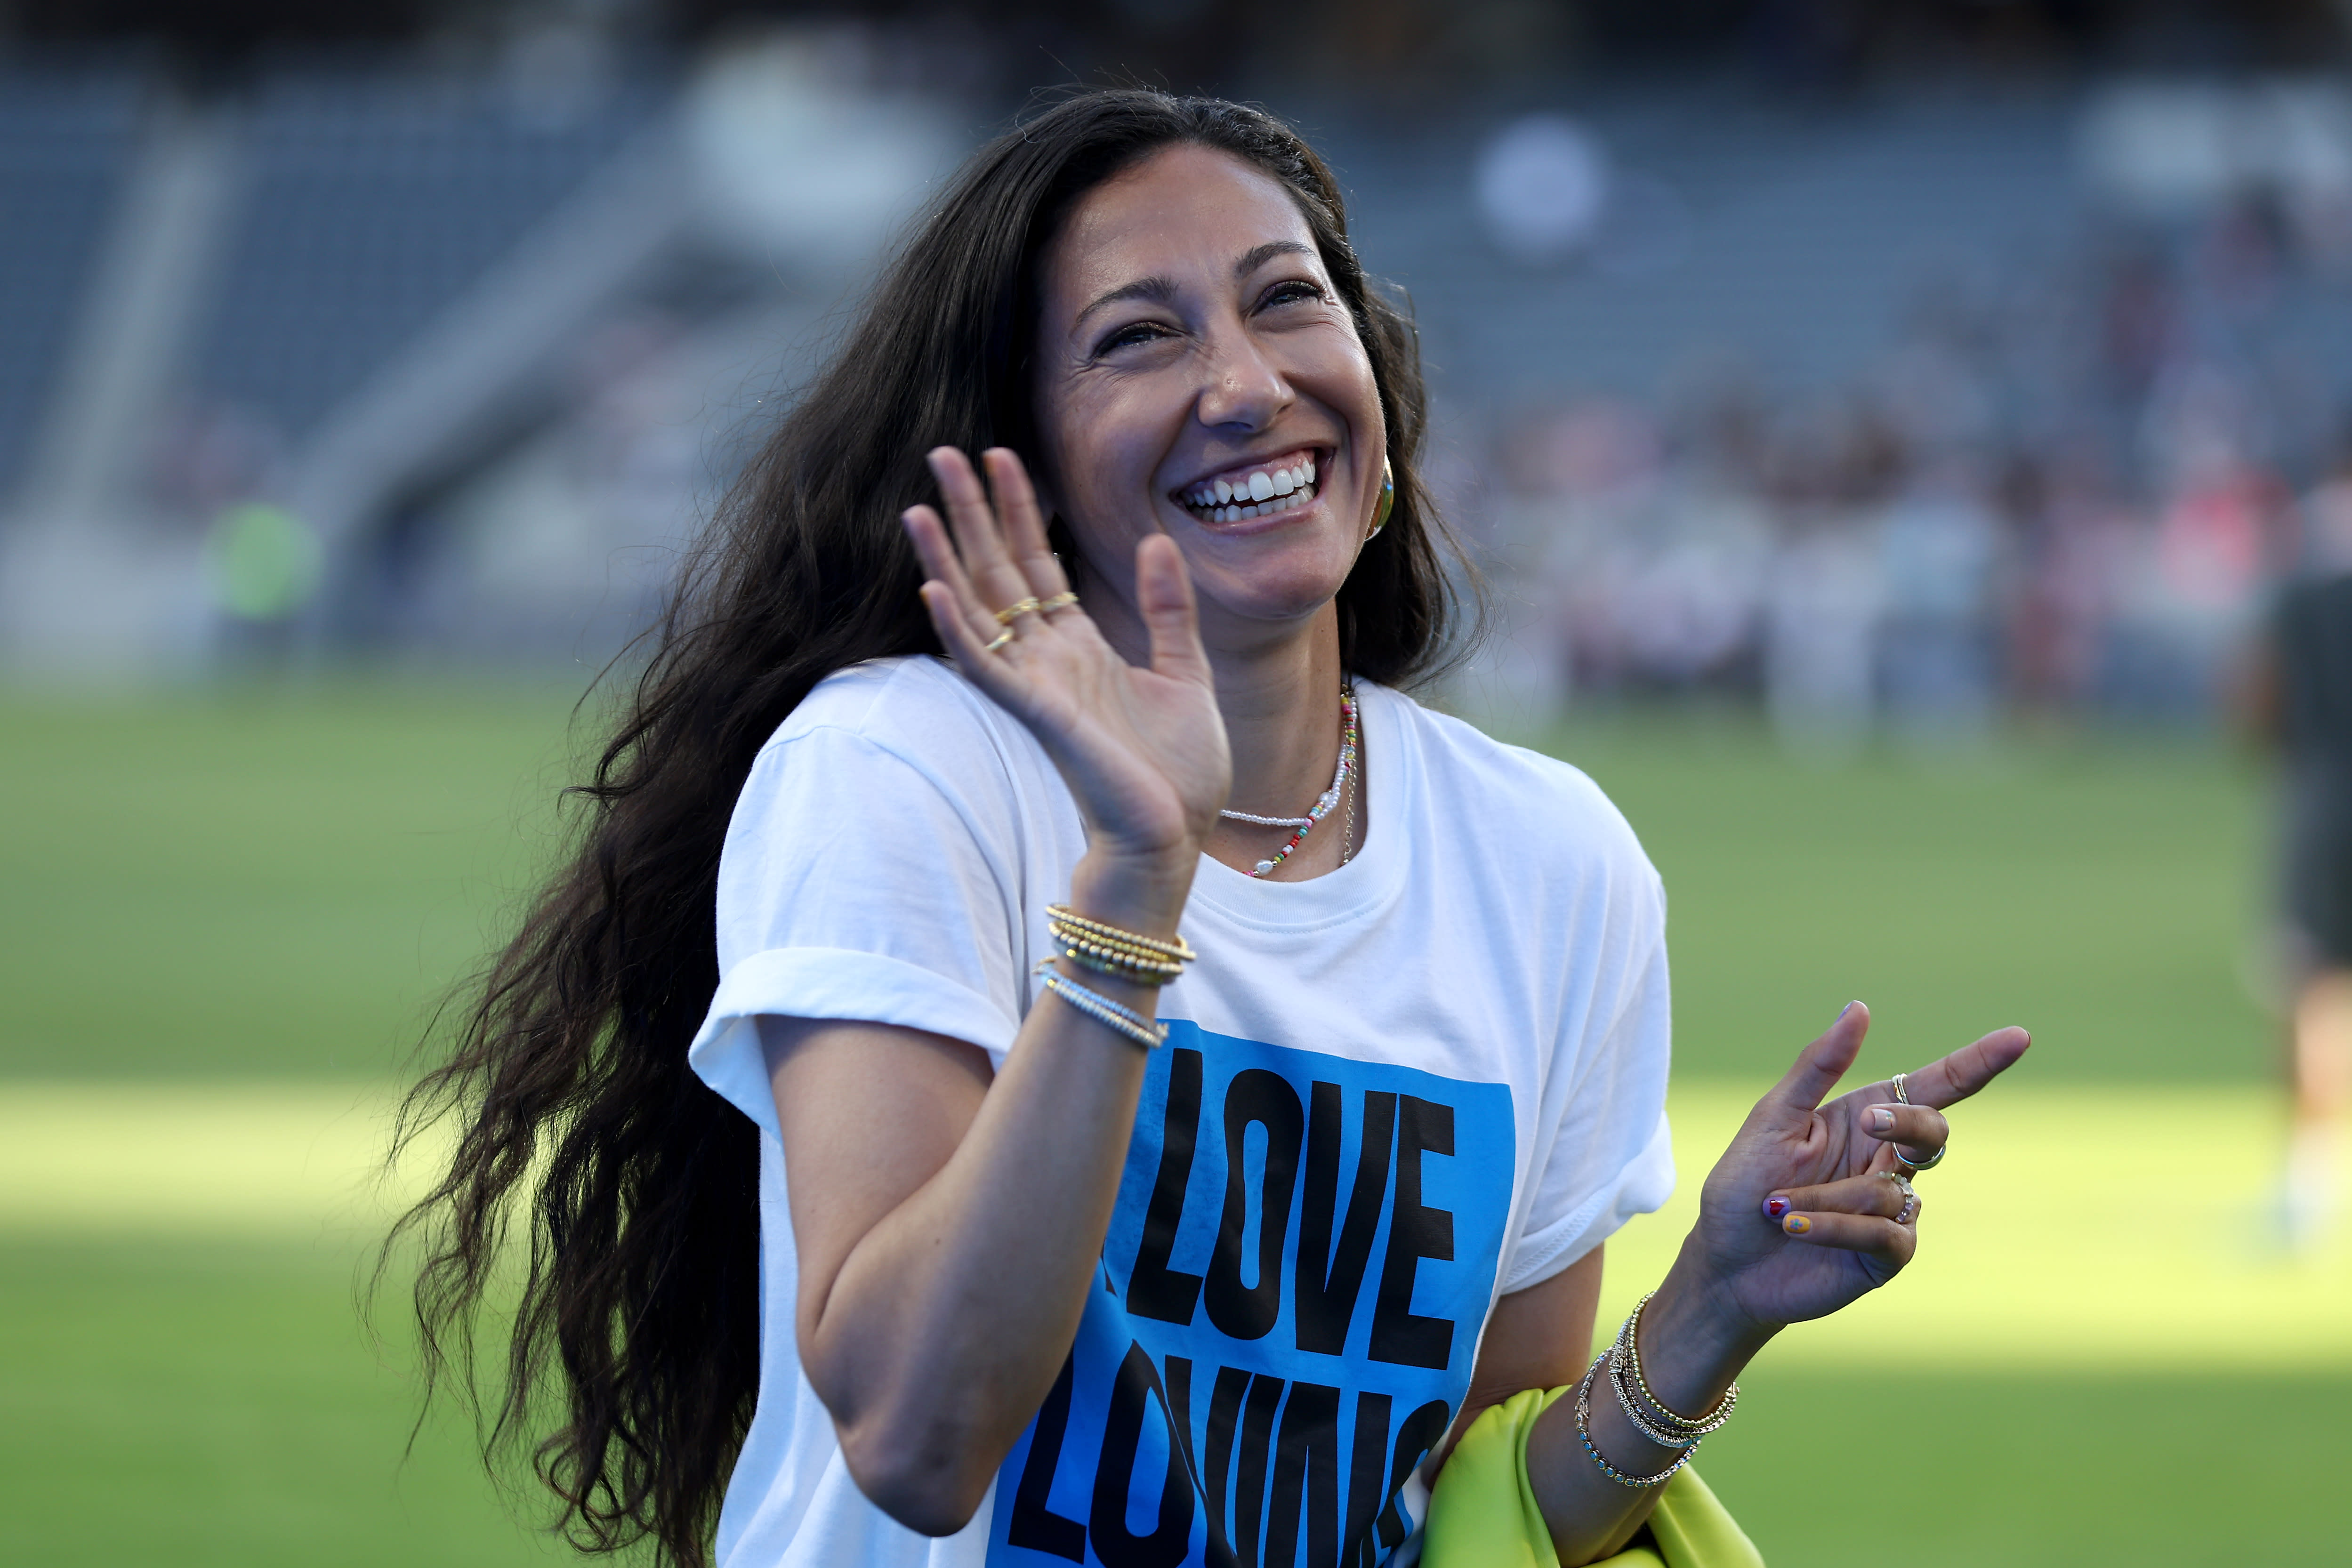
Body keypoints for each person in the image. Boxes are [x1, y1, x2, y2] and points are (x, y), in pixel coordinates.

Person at [395, 90, 2030, 1568]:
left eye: (1285, 302)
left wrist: (1705, 1319)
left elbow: (1465, 1514)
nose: (1243, 386)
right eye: (1135, 339)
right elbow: (913, 1434)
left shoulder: (1552, 860)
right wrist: (1133, 878)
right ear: (1018, 450)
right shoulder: (902, 772)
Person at [2247, 471, 2352, 1248]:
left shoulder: (2306, 573)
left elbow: (2259, 701)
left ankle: (2302, 1190)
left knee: (2313, 994)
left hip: (2325, 805)